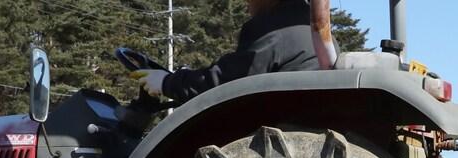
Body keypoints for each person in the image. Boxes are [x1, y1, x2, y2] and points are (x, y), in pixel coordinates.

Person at [132, 0, 319, 105]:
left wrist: (166, 83)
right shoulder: (308, 29)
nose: (246, 4)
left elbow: (225, 82)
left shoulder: (276, 31)